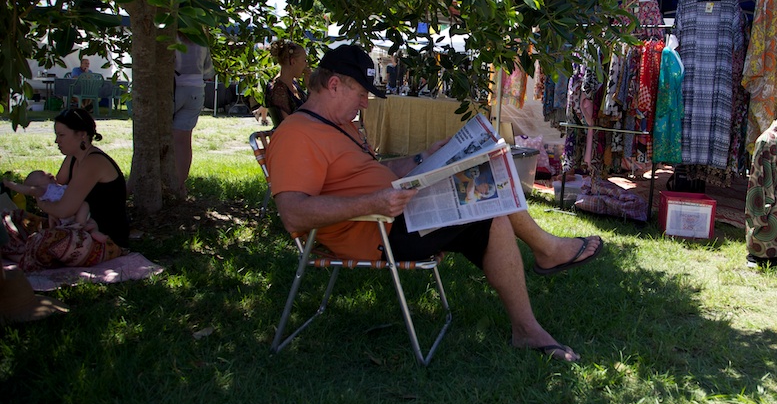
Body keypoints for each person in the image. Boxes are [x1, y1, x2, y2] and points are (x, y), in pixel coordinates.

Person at [267, 44, 603, 362]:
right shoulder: (298, 134)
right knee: (488, 199)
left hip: (390, 214)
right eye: (362, 94)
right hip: (374, 233)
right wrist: (375, 202)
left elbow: (372, 172)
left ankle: (531, 309)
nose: (365, 104)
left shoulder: (339, 126)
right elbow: (293, 213)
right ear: (335, 85)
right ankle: (541, 272)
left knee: (486, 187)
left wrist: (423, 158)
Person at [1, 108, 127, 270]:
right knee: (10, 221)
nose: (56, 141)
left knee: (45, 241)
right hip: (73, 228)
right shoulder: (74, 157)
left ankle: (23, 254)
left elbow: (63, 210)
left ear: (82, 134)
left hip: (102, 237)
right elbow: (55, 184)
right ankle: (22, 252)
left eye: (61, 135)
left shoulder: (93, 162)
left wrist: (41, 202)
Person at [173, 34, 215, 196]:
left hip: (175, 86)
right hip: (196, 88)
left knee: (165, 137)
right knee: (183, 141)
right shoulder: (201, 38)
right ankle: (179, 184)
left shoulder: (170, 34)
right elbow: (208, 70)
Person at [2, 170, 98, 235]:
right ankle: (80, 225)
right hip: (70, 212)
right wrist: (10, 184)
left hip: (71, 213)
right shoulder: (43, 190)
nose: (48, 174)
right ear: (37, 186)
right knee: (84, 205)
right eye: (43, 175)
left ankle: (94, 233)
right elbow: (28, 190)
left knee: (93, 223)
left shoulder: (57, 186)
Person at [265, 40, 309, 127]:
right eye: (304, 60)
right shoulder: (278, 89)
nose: (306, 65)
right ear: (293, 62)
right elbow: (287, 127)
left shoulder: (293, 84)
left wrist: (309, 87)